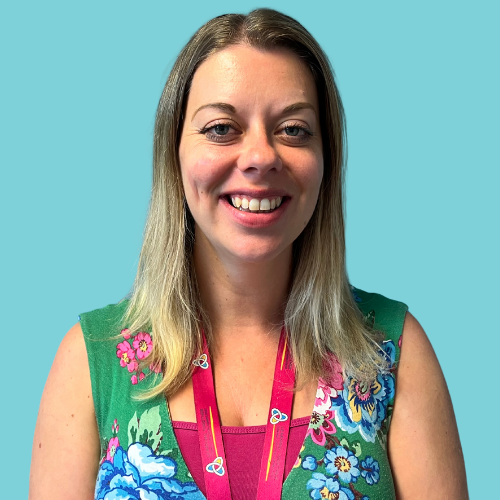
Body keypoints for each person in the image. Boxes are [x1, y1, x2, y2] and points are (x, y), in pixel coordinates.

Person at [29, 8, 468, 500]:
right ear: (174, 153)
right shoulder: (89, 363)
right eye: (221, 128)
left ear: (326, 159)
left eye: (294, 129)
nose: (260, 156)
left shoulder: (393, 352)